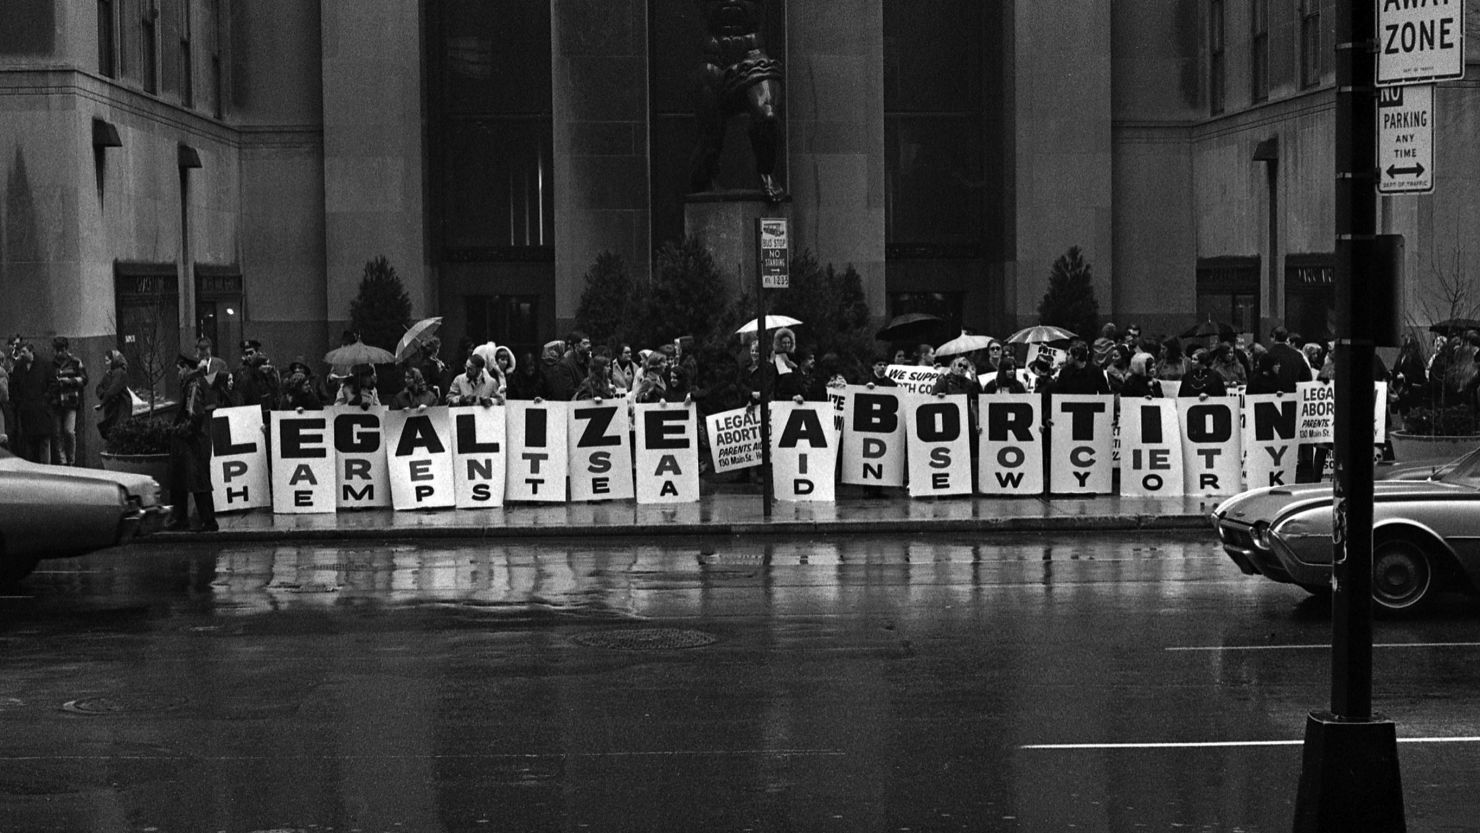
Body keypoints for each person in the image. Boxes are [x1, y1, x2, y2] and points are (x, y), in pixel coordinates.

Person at [689, 0, 786, 202]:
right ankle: (703, 178)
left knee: (768, 116)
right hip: (714, 60)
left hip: (753, 57)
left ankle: (766, 171)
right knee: (710, 138)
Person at [166, 354, 218, 532]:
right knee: (184, 480)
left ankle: (207, 521)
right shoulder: (195, 382)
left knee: (197, 480)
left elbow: (194, 413)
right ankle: (184, 519)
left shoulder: (193, 384)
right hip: (195, 439)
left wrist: (181, 431)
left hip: (193, 441)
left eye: (179, 369)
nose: (178, 373)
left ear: (186, 368)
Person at [10, 340, 53, 464]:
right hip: (26, 411)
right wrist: (19, 403)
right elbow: (13, 387)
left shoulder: (44, 365)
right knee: (29, 444)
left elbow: (52, 385)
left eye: (24, 351)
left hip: (42, 410)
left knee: (44, 442)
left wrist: (46, 399)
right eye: (20, 352)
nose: (21, 354)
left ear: (31, 351)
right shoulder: (19, 368)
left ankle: (46, 469)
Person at [47, 336, 87, 465]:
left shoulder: (75, 362)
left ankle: (71, 461)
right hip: (56, 401)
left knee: (69, 431)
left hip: (71, 401)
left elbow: (84, 379)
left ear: (66, 349)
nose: (58, 353)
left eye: (61, 350)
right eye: (57, 350)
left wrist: (69, 381)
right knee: (57, 433)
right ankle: (63, 461)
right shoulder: (51, 364)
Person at [232, 339, 280, 416]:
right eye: (246, 354)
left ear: (257, 353)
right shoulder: (241, 370)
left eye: (251, 353)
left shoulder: (266, 366)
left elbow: (275, 387)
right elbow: (240, 391)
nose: (248, 356)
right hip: (251, 409)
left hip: (267, 407)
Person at [1045, 341, 1110, 395]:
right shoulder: (1065, 372)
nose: (1066, 357)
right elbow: (1058, 395)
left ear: (1076, 356)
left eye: (1068, 354)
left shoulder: (1096, 372)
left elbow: (1106, 396)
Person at [94, 349, 131, 443]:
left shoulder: (120, 373)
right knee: (113, 431)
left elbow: (112, 390)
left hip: (119, 407)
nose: (107, 363)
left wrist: (103, 402)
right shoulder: (109, 373)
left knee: (117, 431)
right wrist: (104, 395)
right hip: (111, 407)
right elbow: (99, 387)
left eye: (108, 360)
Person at [1267, 326, 1312, 393]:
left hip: (1273, 396)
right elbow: (1307, 377)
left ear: (1274, 337)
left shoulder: (1267, 355)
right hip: (1293, 395)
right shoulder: (1297, 355)